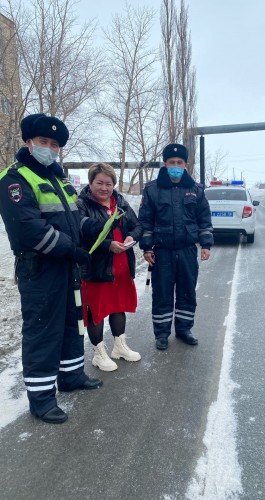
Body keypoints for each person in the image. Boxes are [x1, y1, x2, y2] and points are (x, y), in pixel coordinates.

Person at [0, 113, 103, 424]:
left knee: (71, 323)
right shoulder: (14, 179)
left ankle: (71, 377)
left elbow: (72, 217)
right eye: (43, 142)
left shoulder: (58, 178)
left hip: (66, 267)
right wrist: (70, 248)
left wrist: (91, 228)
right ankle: (42, 399)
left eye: (54, 144)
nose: (49, 148)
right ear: (28, 142)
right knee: (44, 330)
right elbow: (29, 229)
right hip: (41, 269)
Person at [138, 143, 213, 350]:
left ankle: (184, 329)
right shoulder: (152, 190)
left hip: (187, 250)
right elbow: (145, 221)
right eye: (172, 162)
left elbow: (204, 219)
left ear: (186, 164)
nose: (176, 165)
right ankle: (161, 334)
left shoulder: (196, 190)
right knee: (162, 293)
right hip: (162, 251)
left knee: (187, 291)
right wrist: (147, 247)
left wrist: (206, 244)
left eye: (180, 162)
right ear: (165, 164)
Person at [77, 163, 142, 371]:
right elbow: (81, 235)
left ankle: (119, 346)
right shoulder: (82, 205)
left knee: (118, 306)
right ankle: (99, 352)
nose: (104, 188)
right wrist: (108, 246)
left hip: (121, 265)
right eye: (99, 183)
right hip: (97, 268)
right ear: (90, 183)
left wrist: (132, 237)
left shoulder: (120, 202)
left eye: (108, 183)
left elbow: (137, 225)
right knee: (97, 310)